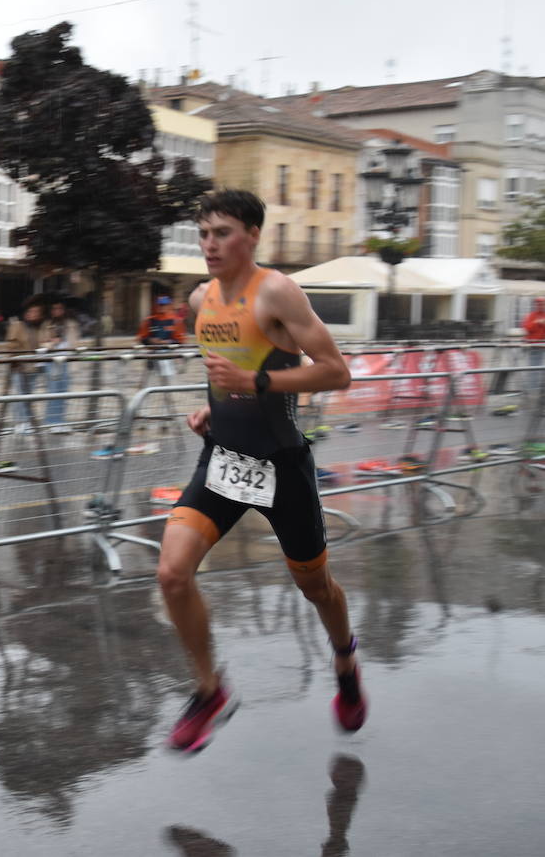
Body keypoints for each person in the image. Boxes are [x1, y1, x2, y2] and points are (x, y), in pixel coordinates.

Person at [158, 189, 363, 754]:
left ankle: (345, 660)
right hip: (225, 459)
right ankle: (210, 691)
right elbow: (224, 375)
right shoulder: (201, 298)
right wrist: (214, 409)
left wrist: (257, 385)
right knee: (172, 574)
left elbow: (336, 373)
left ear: (252, 235)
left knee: (316, 587)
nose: (209, 244)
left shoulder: (276, 291)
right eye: (203, 234)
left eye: (222, 233)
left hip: (281, 466)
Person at [4, 297, 47, 432]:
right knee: (20, 395)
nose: (34, 314)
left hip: (34, 366)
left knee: (29, 395)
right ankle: (19, 422)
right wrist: (16, 358)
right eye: (31, 312)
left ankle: (26, 421)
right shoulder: (17, 326)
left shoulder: (40, 328)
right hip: (20, 366)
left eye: (37, 312)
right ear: (26, 313)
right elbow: (11, 345)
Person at [41, 299, 81, 431]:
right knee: (53, 391)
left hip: (66, 359)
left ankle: (61, 420)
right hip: (52, 360)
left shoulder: (71, 324)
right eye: (54, 308)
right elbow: (42, 342)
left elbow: (74, 341)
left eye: (59, 308)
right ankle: (51, 421)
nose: (57, 311)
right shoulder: (47, 324)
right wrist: (53, 342)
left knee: (64, 391)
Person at [522, 296, 545, 389]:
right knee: (533, 368)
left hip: (543, 346)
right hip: (534, 346)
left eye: (542, 303)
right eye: (538, 303)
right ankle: (532, 388)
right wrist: (537, 322)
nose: (540, 305)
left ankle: (541, 388)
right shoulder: (531, 316)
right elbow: (527, 328)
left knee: (542, 369)